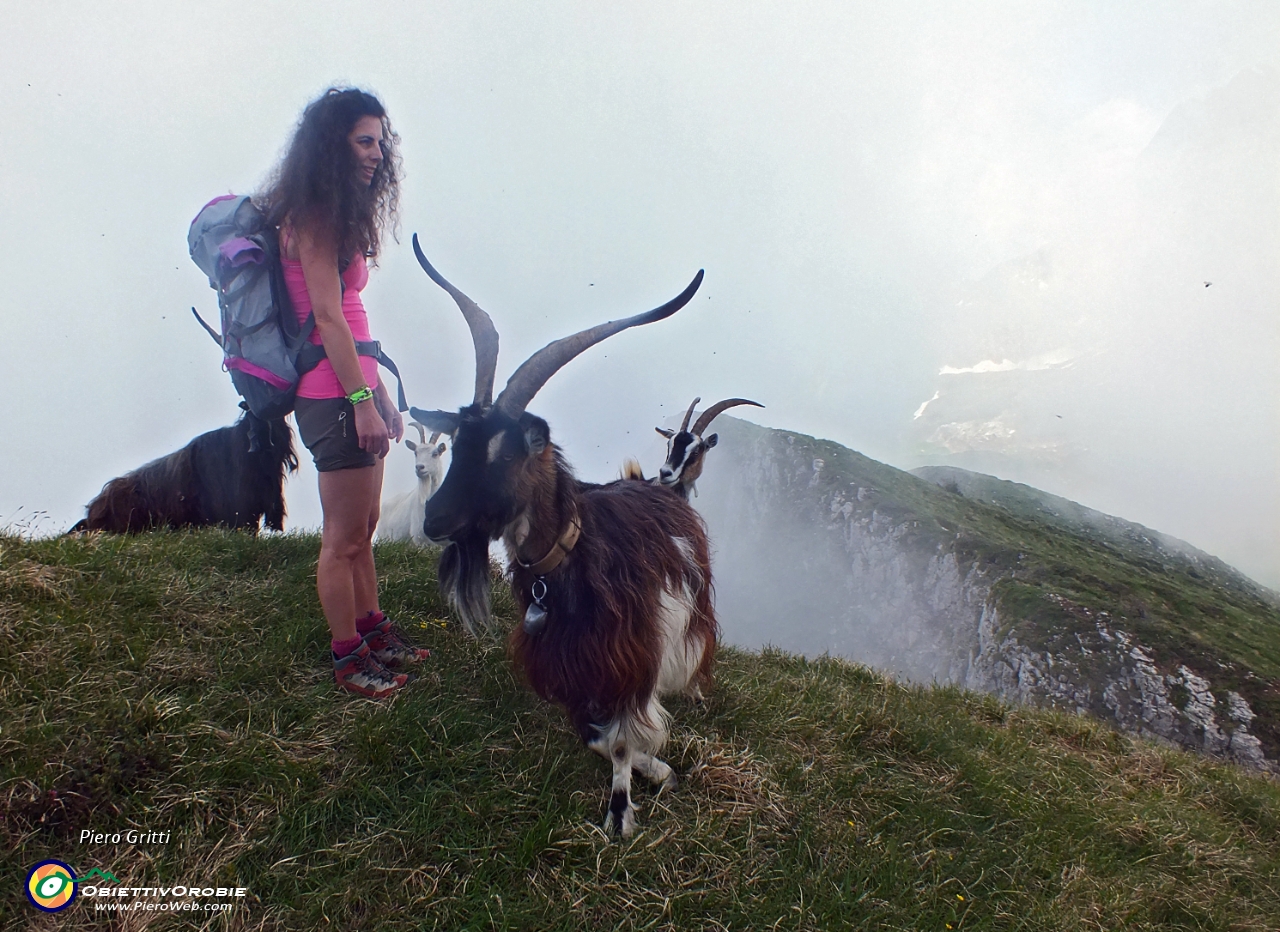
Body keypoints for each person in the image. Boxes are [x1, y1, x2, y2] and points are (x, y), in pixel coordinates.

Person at [258, 87, 429, 697]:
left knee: (366, 523)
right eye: (365, 141)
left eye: (382, 142)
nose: (378, 154)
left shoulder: (333, 209)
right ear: (333, 142)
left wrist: (378, 392)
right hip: (332, 393)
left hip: (354, 380)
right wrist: (359, 402)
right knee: (344, 536)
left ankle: (372, 628)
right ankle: (348, 658)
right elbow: (328, 318)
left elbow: (351, 314)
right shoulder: (315, 216)